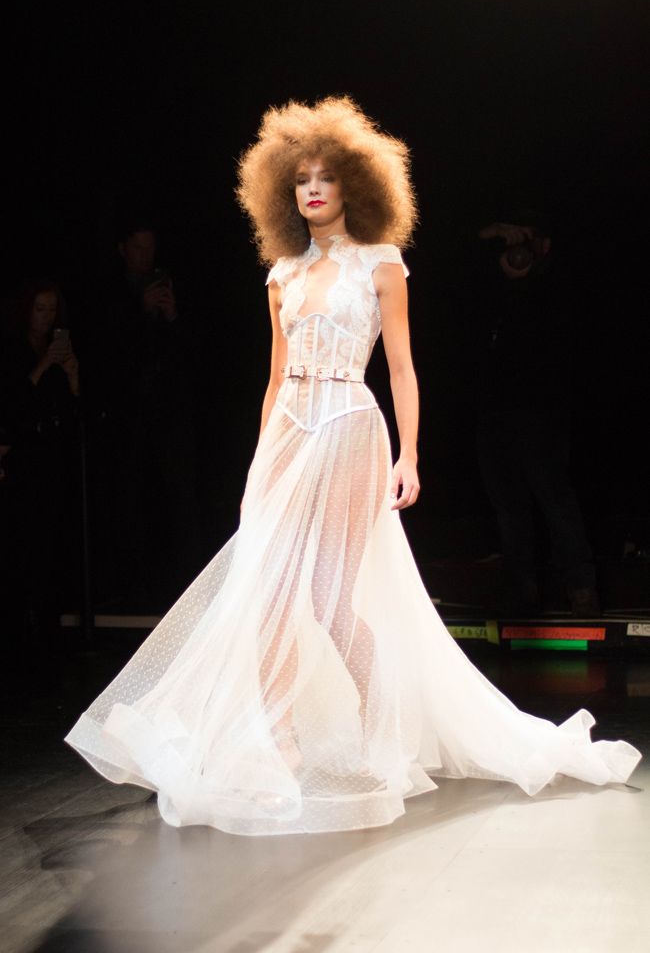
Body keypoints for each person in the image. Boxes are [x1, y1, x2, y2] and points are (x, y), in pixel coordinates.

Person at [64, 98, 640, 836]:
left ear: (353, 186)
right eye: (301, 179)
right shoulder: (281, 273)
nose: (312, 190)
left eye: (325, 178)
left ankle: (377, 728)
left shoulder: (381, 263)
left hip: (348, 426)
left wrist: (410, 453)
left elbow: (401, 367)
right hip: (290, 427)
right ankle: (277, 739)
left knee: (330, 597)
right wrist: (258, 462)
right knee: (266, 588)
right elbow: (274, 378)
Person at [474, 214, 600, 617]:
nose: (518, 248)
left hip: (541, 412)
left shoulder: (556, 285)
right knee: (509, 507)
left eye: (527, 239)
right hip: (494, 411)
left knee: (554, 499)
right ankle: (521, 591)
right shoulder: (492, 282)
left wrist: (524, 277)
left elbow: (556, 333)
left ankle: (580, 587)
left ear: (544, 245)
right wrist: (493, 236)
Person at [84, 220, 202, 608]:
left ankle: (182, 586)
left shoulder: (169, 282)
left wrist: (172, 314)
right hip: (125, 416)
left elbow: (195, 352)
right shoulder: (108, 291)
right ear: (123, 249)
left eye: (150, 248)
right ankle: (128, 589)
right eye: (138, 248)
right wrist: (139, 310)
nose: (145, 256)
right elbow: (104, 352)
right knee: (126, 502)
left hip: (169, 414)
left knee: (176, 498)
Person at [0, 280, 80, 652]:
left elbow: (72, 407)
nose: (46, 317)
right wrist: (44, 363)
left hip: (53, 454)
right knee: (23, 539)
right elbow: (14, 402)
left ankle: (48, 622)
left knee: (53, 539)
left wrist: (71, 373)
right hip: (24, 456)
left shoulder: (58, 349)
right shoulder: (13, 349)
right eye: (40, 309)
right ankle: (21, 625)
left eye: (51, 310)